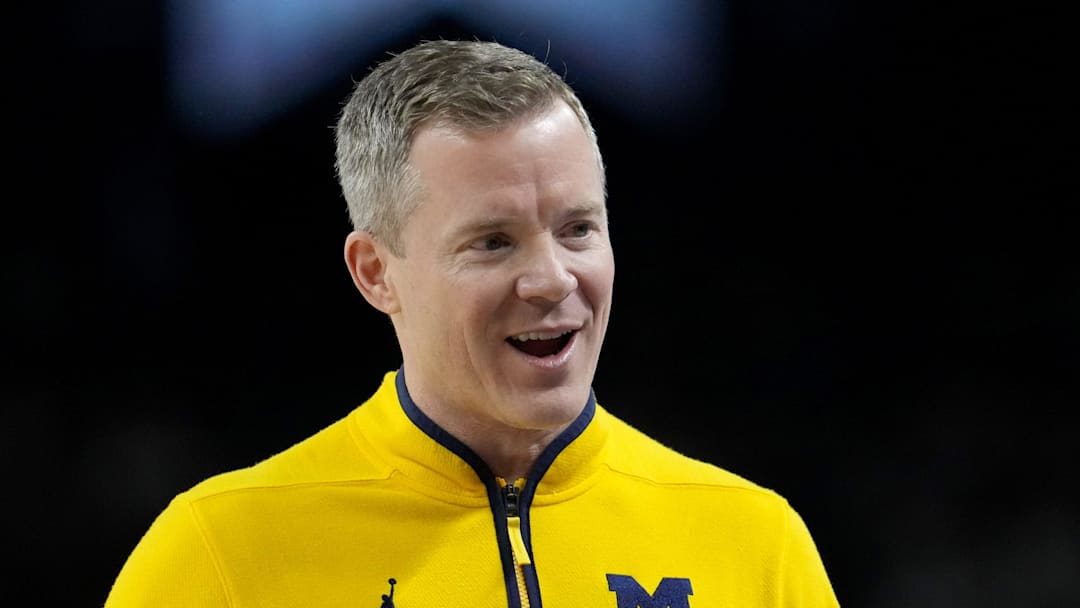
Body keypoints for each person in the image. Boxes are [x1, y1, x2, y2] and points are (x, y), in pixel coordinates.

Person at [105, 38, 839, 607]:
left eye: (578, 228)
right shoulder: (218, 554)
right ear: (375, 272)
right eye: (493, 241)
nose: (552, 278)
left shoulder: (755, 545)